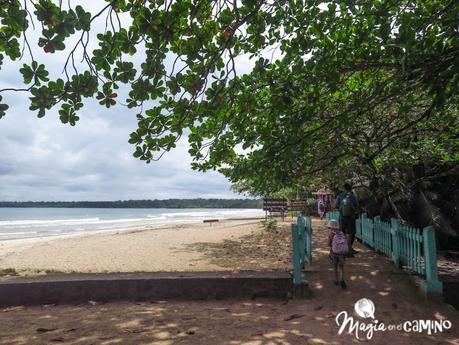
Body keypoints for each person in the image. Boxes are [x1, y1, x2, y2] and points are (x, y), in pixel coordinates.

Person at [335, 183, 358, 256]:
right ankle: (348, 249)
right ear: (350, 188)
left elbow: (335, 206)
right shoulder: (352, 196)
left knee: (342, 233)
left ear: (344, 188)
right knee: (350, 233)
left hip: (342, 217)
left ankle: (341, 249)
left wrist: (340, 208)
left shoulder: (340, 195)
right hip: (351, 217)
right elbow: (356, 206)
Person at [328, 219, 348, 289]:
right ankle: (342, 279)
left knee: (335, 267)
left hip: (334, 253)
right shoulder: (341, 233)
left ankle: (336, 280)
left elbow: (329, 244)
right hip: (342, 253)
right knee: (341, 267)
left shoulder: (331, 234)